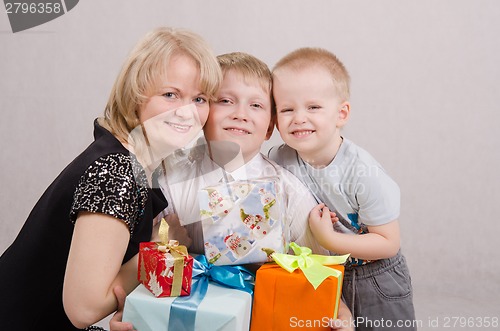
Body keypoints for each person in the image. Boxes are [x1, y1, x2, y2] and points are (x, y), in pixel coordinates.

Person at [110, 51, 353, 331]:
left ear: (270, 128)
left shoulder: (288, 191)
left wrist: (341, 312)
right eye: (225, 101)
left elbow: (323, 268)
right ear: (203, 114)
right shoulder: (169, 179)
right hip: (185, 317)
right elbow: (144, 265)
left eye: (256, 105)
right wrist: (131, 311)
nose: (240, 114)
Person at [0, 27, 222, 330]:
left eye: (199, 99)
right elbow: (85, 308)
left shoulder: (132, 160)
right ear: (135, 97)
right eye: (170, 94)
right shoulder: (117, 172)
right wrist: (162, 246)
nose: (187, 112)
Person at [269, 47, 416, 330]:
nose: (298, 117)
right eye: (287, 109)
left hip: (375, 276)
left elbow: (388, 242)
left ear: (341, 113)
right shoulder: (280, 159)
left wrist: (330, 238)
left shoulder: (363, 172)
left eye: (313, 107)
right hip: (321, 272)